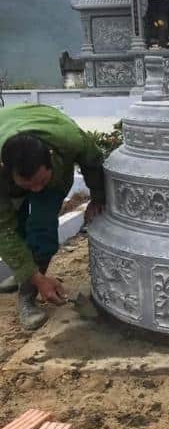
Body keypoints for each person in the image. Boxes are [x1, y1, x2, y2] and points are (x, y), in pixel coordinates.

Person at [0, 104, 106, 330]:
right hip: (7, 144)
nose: (36, 190)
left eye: (41, 181)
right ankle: (26, 277)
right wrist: (34, 275)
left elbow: (93, 162)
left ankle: (27, 295)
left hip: (50, 139)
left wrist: (98, 197)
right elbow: (3, 231)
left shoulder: (69, 140)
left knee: (43, 229)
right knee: (15, 228)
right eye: (28, 185)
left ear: (50, 158)